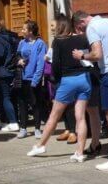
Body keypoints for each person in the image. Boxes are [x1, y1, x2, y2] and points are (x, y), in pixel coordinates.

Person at [72, 11, 108, 173]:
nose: (82, 33)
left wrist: (82, 55)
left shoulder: (92, 27)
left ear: (82, 23)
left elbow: (97, 55)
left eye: (79, 29)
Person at [28, 16, 94, 161]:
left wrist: (56, 80)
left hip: (67, 79)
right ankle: (80, 152)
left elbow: (55, 64)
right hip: (84, 78)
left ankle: (41, 145)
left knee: (54, 115)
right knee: (81, 117)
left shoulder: (58, 41)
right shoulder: (83, 38)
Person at [0, 12, 20, 131]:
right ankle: (5, 121)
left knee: (5, 97)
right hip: (12, 69)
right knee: (7, 97)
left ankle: (13, 122)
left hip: (2, 70)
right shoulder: (12, 36)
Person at [16, 20, 48, 139]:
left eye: (24, 29)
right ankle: (23, 128)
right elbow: (17, 55)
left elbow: (41, 64)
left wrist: (36, 80)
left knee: (35, 104)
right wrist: (19, 60)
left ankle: (37, 128)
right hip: (22, 77)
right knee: (22, 103)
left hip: (33, 78)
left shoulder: (40, 44)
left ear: (30, 31)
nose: (22, 31)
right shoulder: (21, 42)